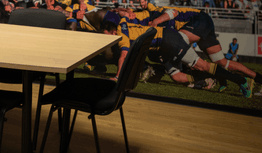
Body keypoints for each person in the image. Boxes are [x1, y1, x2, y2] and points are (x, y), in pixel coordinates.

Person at [101, 17, 253, 96]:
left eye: (106, 36)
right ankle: (204, 79)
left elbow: (124, 56)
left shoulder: (122, 35)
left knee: (201, 65)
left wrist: (117, 77)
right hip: (164, 44)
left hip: (168, 40)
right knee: (176, 76)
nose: (106, 39)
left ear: (113, 32)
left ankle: (241, 80)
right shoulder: (122, 24)